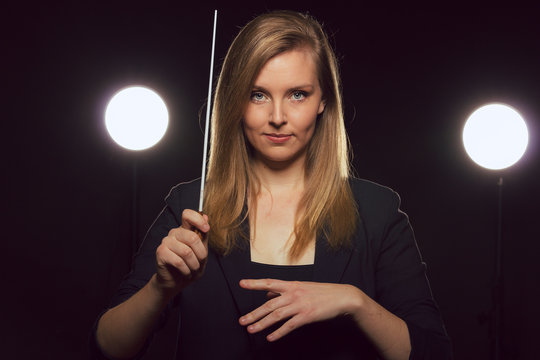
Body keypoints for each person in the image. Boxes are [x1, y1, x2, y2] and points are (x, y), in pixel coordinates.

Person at [92, 10, 452, 360]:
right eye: (257, 95)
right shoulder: (190, 207)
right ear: (235, 101)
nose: (277, 117)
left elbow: (433, 353)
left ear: (323, 100)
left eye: (297, 94)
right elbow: (109, 347)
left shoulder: (377, 212)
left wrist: (354, 302)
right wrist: (160, 288)